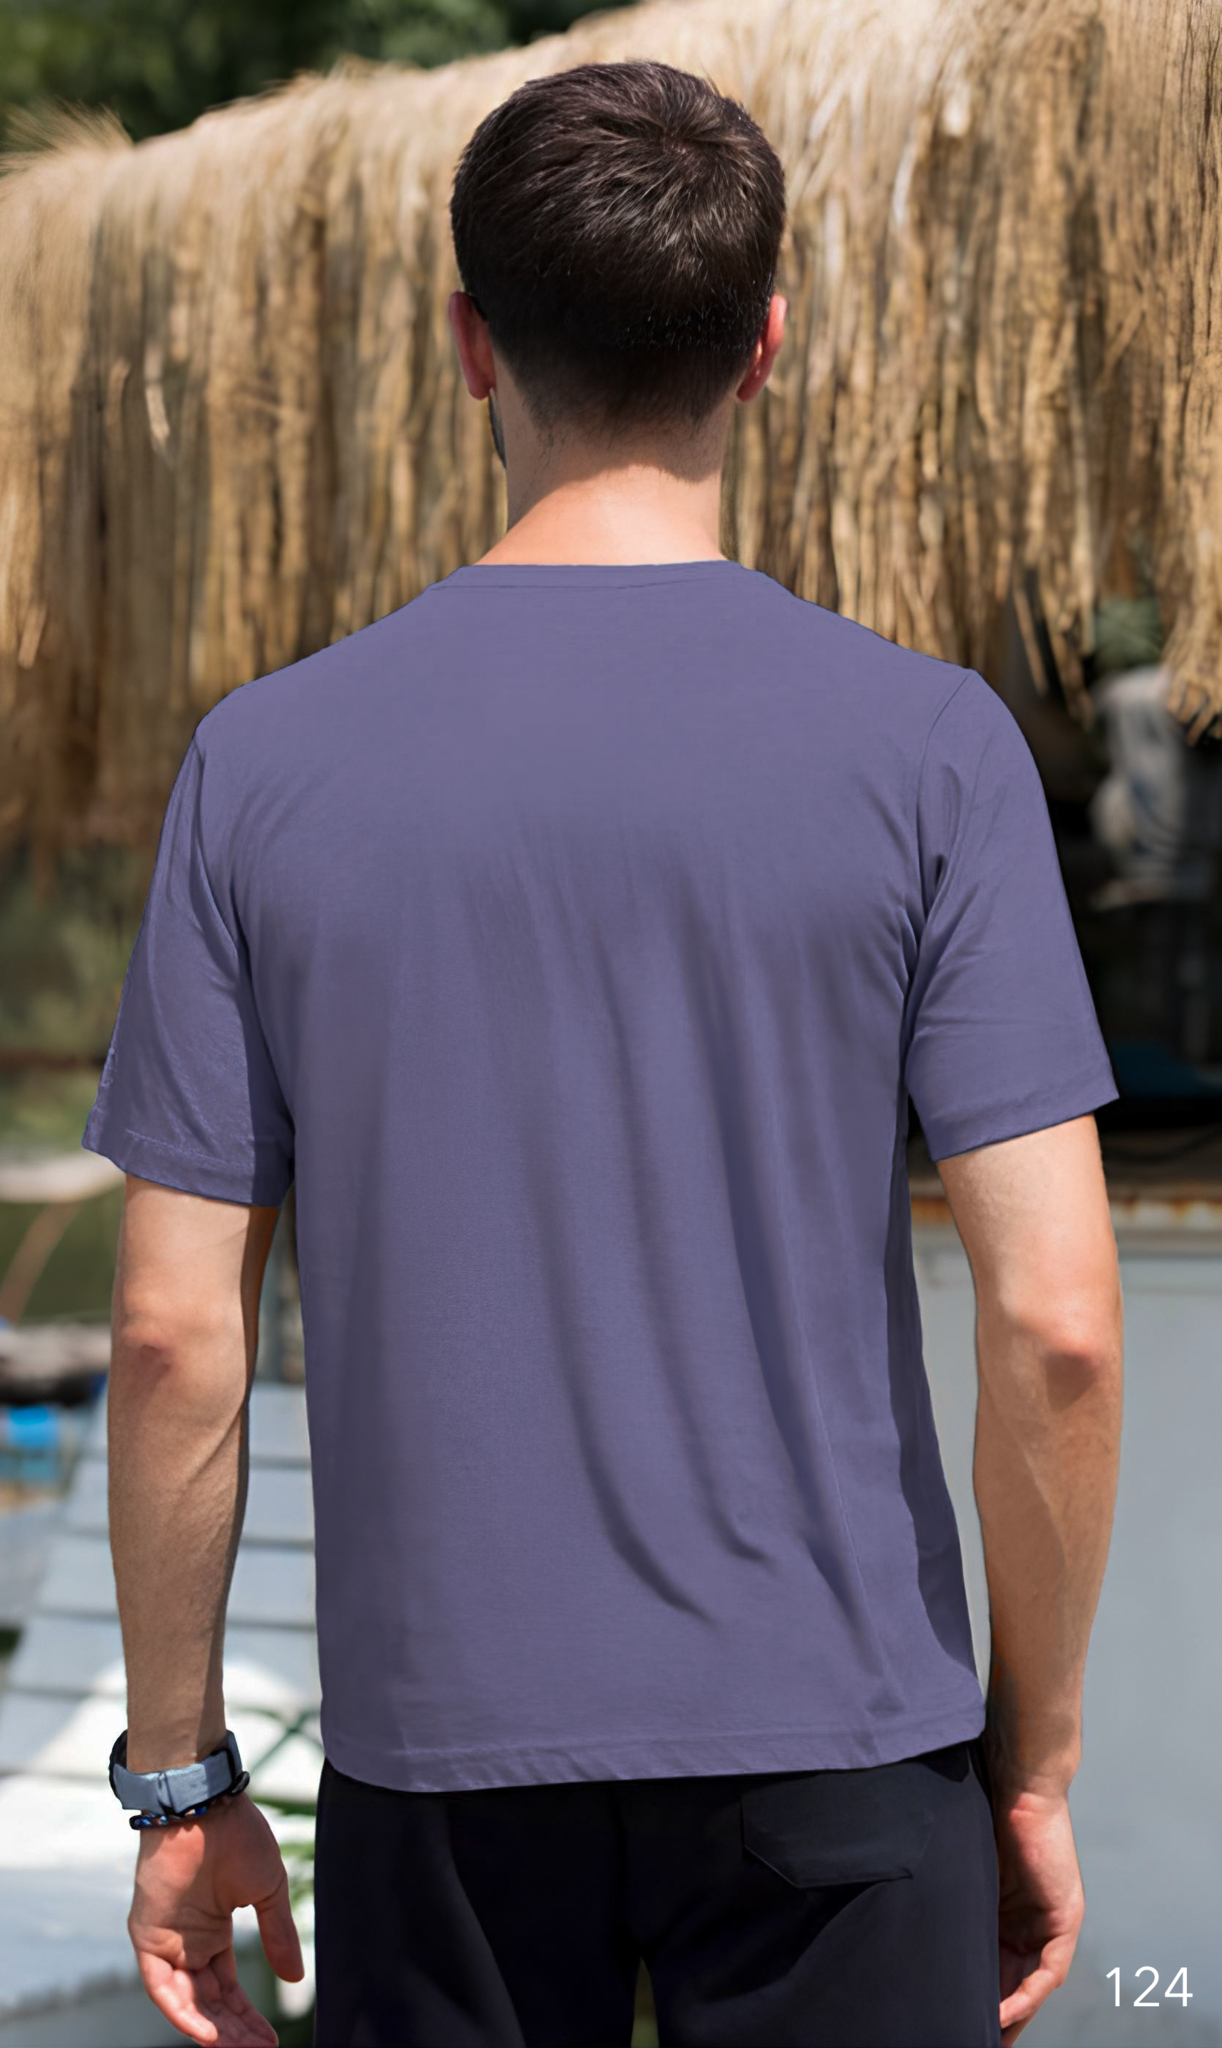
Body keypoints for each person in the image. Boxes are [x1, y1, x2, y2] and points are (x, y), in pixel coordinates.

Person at [82, 57, 1124, 2048]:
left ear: (469, 343)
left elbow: (168, 1336)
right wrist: (1033, 1760)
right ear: (765, 346)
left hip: (441, 1773)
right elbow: (1058, 1325)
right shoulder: (930, 751)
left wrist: (182, 1778)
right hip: (845, 1746)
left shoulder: (263, 768)